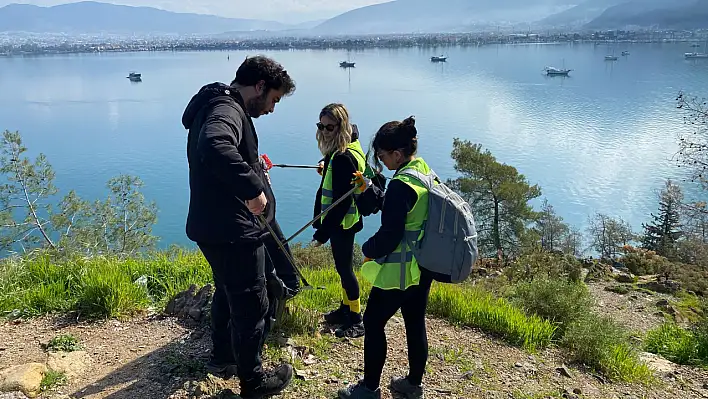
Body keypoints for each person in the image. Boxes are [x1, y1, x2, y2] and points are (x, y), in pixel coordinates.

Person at [181, 55, 296, 399]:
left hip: (213, 226)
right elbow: (215, 146)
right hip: (234, 231)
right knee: (252, 304)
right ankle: (254, 383)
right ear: (259, 86)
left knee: (227, 292)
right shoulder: (228, 110)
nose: (272, 109)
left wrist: (252, 165)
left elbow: (222, 154)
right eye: (273, 99)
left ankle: (223, 356)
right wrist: (253, 189)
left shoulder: (219, 104)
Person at [338, 116, 433, 399]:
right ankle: (413, 384)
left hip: (400, 270)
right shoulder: (423, 170)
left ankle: (369, 388)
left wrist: (367, 249)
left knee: (373, 322)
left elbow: (390, 234)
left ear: (397, 153)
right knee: (415, 322)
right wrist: (370, 190)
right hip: (424, 263)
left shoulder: (400, 185)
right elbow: (406, 212)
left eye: (382, 156)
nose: (382, 162)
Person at [311, 103, 366, 338]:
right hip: (348, 221)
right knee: (342, 268)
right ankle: (345, 309)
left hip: (342, 223)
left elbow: (340, 203)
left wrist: (322, 233)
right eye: (321, 126)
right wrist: (327, 165)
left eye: (330, 127)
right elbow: (342, 176)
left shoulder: (343, 157)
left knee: (345, 270)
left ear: (341, 127)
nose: (324, 131)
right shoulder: (349, 147)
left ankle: (356, 318)